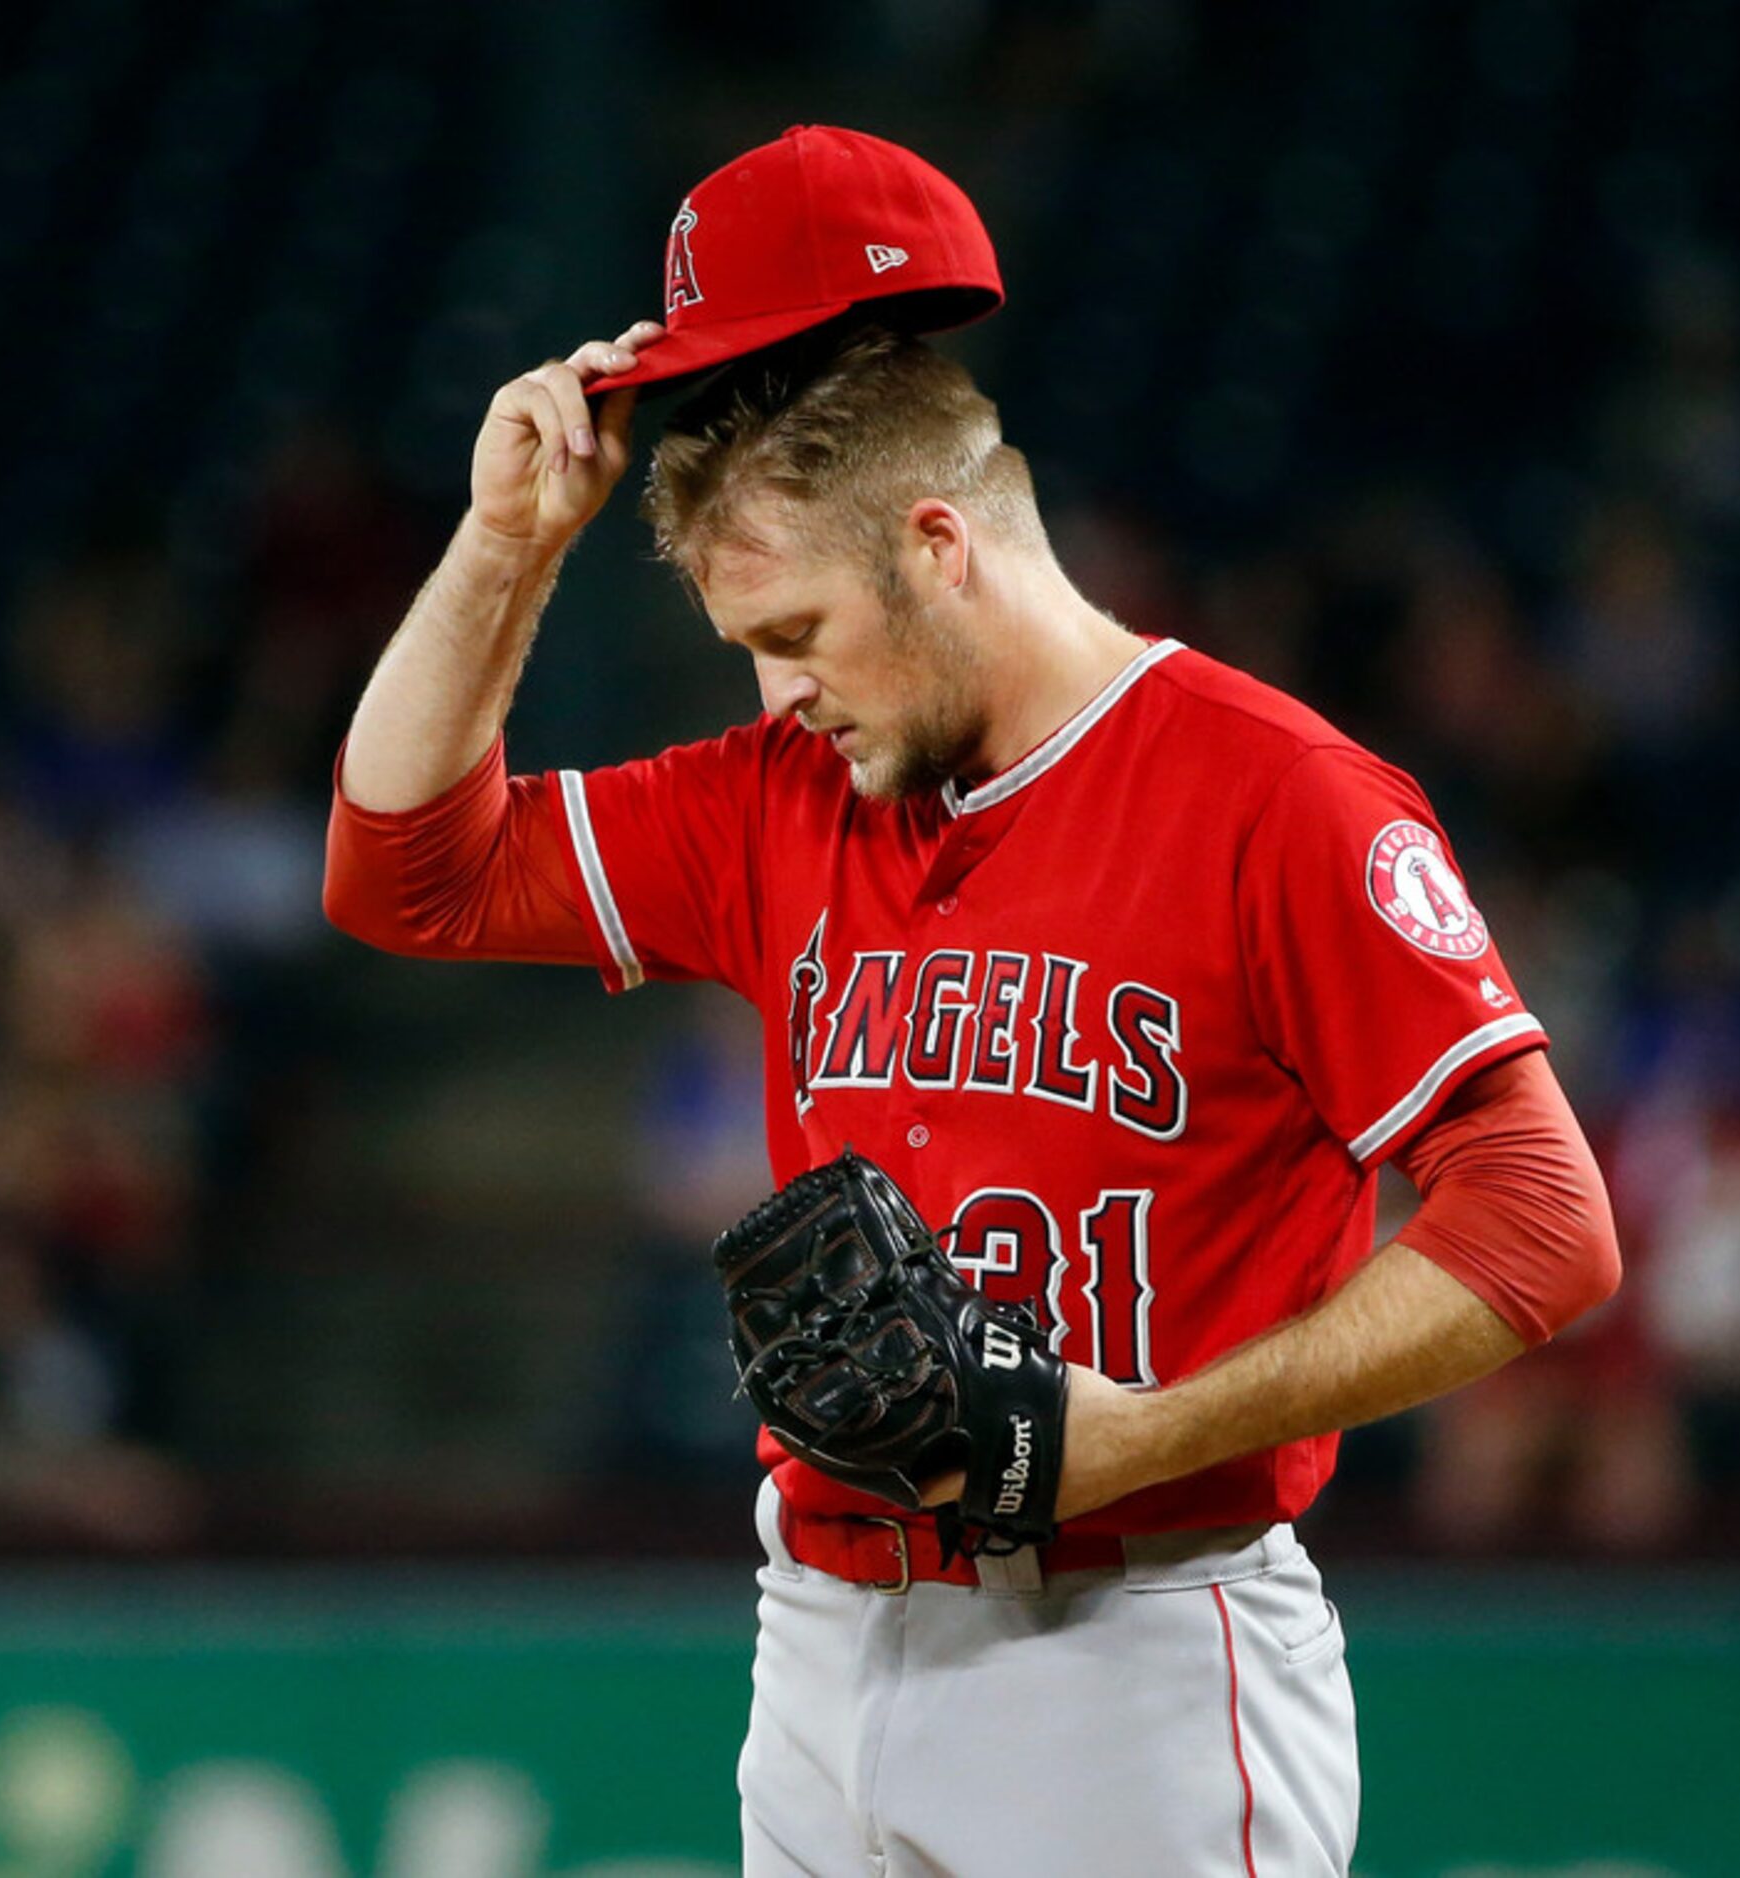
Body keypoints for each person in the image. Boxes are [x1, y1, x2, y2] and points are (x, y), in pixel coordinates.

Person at [323, 126, 1620, 1877]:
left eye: (794, 630)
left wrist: (1142, 1437)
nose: (777, 693)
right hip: (820, 1630)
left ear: (939, 544)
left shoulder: (1274, 794)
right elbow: (408, 871)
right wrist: (503, 547)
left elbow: (1544, 1222)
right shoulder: (789, 791)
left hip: (1136, 1649)